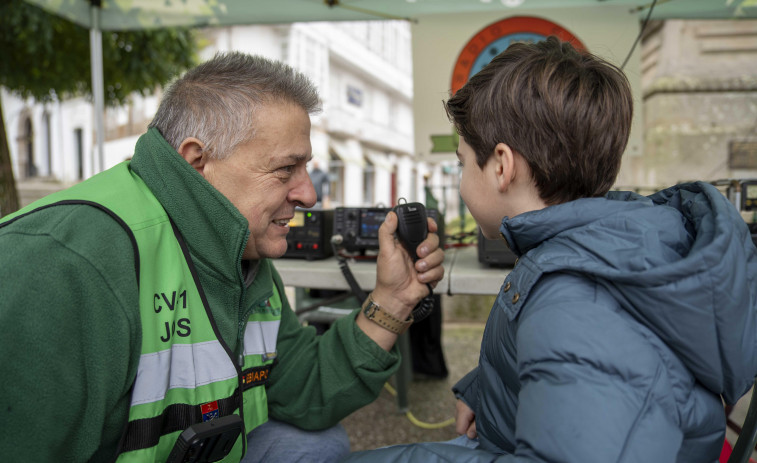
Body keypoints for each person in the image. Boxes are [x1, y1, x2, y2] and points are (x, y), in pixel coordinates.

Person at [0, 52, 444, 462]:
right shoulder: (62, 263)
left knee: (316, 443)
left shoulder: (237, 246)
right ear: (197, 160)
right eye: (285, 169)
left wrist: (394, 299)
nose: (308, 193)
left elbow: (305, 389)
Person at [343, 36, 757, 462]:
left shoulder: (578, 299)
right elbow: (575, 369)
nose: (462, 177)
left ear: (502, 166)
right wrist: (488, 388)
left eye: (463, 163)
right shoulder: (595, 251)